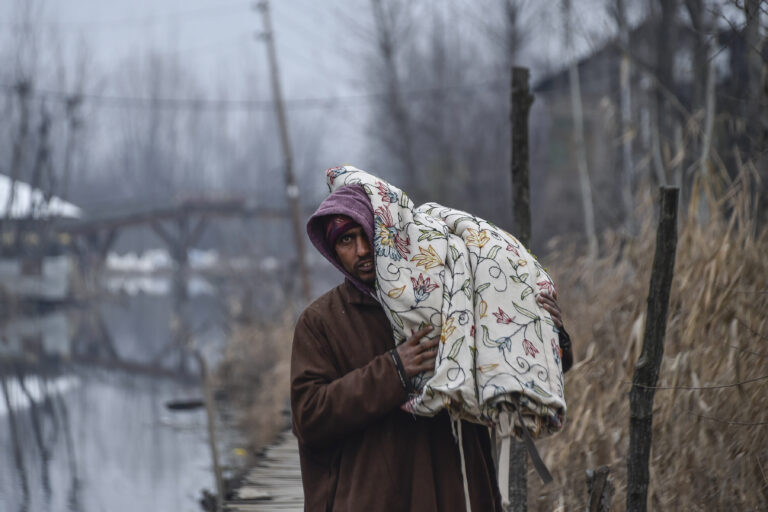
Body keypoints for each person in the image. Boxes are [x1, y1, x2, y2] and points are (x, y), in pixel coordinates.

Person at [290, 184, 571, 511]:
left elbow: (510, 365)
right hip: (372, 499)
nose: (362, 250)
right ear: (331, 249)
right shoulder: (321, 322)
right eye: (346, 240)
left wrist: (547, 331)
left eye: (367, 234)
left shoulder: (447, 296)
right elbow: (309, 417)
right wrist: (393, 370)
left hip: (459, 491)